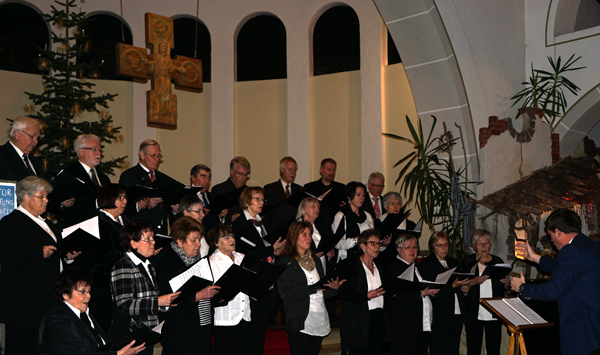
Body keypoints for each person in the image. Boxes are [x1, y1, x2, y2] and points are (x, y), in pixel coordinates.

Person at [0, 176, 78, 355]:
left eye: (47, 197)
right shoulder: (11, 222)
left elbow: (54, 252)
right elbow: (4, 252)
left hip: (45, 299)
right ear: (25, 197)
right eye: (41, 196)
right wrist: (37, 252)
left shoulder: (45, 222)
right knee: (23, 347)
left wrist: (68, 257)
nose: (46, 201)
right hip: (23, 304)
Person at [510, 208, 600, 355]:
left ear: (558, 232)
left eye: (551, 235)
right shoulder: (590, 246)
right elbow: (564, 268)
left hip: (583, 330)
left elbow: (552, 291)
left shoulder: (571, 251)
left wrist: (522, 288)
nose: (551, 241)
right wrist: (535, 257)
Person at [109, 220, 180, 355]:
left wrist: (167, 304)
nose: (153, 242)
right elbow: (124, 305)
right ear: (133, 243)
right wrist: (159, 301)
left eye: (153, 238)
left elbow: (149, 298)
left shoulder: (148, 265)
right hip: (129, 335)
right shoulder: (124, 265)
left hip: (146, 334)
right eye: (148, 239)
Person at [38, 267, 146, 355]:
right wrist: (118, 354)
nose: (88, 296)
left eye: (89, 291)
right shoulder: (57, 319)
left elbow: (102, 344)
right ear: (65, 294)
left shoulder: (83, 314)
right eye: (82, 291)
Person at [154, 217, 220, 355]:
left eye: (199, 239)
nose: (198, 244)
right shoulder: (167, 262)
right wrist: (197, 296)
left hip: (202, 327)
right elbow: (166, 299)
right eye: (193, 240)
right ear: (180, 242)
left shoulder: (198, 260)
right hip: (180, 332)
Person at [277, 221, 344, 355]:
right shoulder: (286, 261)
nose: (309, 238)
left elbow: (323, 292)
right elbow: (285, 293)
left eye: (310, 234)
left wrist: (334, 289)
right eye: (304, 235)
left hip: (318, 315)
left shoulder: (316, 260)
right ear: (294, 237)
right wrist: (313, 288)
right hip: (300, 319)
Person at [232, 186, 285, 354]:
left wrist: (274, 250)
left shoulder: (261, 221)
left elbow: (262, 247)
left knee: (260, 324)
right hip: (251, 278)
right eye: (257, 199)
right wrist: (269, 250)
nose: (261, 202)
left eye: (262, 199)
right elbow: (243, 252)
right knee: (253, 326)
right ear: (247, 201)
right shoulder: (240, 223)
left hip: (263, 276)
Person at [199, 224, 252, 355]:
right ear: (216, 243)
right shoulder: (211, 263)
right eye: (226, 237)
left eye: (232, 235)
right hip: (224, 318)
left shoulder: (242, 257)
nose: (231, 239)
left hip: (244, 315)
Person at [384, 234, 440, 355]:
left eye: (415, 247)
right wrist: (420, 294)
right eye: (408, 247)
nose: (412, 250)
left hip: (422, 322)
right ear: (399, 250)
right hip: (404, 325)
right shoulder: (393, 269)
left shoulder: (419, 267)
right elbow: (395, 296)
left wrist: (432, 292)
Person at [458, 229, 510, 355]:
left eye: (486, 243)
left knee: (493, 348)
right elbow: (460, 286)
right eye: (480, 244)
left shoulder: (497, 261)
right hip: (474, 311)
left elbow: (505, 288)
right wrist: (472, 282)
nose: (483, 247)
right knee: (474, 348)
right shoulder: (468, 262)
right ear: (474, 246)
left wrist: (507, 282)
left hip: (494, 310)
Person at [419, 232, 469, 355]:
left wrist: (465, 289)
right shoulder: (427, 264)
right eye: (439, 245)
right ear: (432, 247)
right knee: (439, 348)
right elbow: (433, 291)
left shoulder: (453, 262)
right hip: (440, 313)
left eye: (446, 244)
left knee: (453, 348)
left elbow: (459, 282)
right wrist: (453, 286)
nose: (444, 248)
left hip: (456, 311)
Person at [339, 229, 386, 355]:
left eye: (378, 243)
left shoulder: (379, 267)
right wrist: (366, 295)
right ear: (363, 246)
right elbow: (346, 294)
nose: (377, 247)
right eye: (373, 243)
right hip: (360, 320)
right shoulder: (352, 266)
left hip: (378, 317)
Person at [118, 139, 179, 235]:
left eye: (158, 156)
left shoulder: (162, 177)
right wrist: (140, 205)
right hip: (139, 232)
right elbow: (120, 205)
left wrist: (173, 209)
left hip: (160, 231)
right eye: (153, 155)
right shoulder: (130, 176)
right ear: (142, 155)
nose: (157, 159)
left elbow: (164, 205)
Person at [50, 134, 110, 227]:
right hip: (78, 228)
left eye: (99, 150)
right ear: (81, 152)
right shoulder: (69, 174)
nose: (99, 153)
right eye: (94, 149)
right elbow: (52, 201)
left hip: (102, 227)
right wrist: (63, 204)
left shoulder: (104, 178)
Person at [90, 183, 129, 331]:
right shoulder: (100, 222)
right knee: (105, 327)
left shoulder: (124, 220)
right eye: (120, 198)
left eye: (125, 197)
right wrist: (136, 253)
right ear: (108, 199)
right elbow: (108, 254)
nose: (125, 201)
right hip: (104, 283)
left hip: (121, 281)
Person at [332, 181, 376, 262]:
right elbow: (337, 243)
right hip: (348, 259)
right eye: (358, 195)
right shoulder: (341, 215)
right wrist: (355, 240)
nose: (361, 198)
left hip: (366, 258)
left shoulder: (367, 216)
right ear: (349, 196)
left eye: (363, 195)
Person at [263, 156, 304, 233]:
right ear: (282, 169)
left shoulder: (299, 190)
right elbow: (267, 216)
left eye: (295, 169)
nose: (293, 172)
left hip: (294, 233)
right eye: (290, 169)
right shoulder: (270, 189)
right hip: (276, 233)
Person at [375, 191, 416, 266]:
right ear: (385, 206)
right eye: (392, 203)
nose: (396, 206)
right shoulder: (377, 223)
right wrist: (383, 244)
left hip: (406, 262)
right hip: (386, 263)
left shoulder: (410, 225)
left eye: (398, 203)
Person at [0, 116, 45, 181]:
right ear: (17, 134)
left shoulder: (35, 162)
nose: (36, 142)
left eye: (37, 138)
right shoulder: (2, 155)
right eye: (32, 136)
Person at [304, 158, 346, 226]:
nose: (331, 173)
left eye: (333, 170)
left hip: (335, 226)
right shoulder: (309, 188)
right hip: (315, 225)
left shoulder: (342, 188)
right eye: (329, 170)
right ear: (321, 170)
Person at [211, 156, 251, 223]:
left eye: (246, 174)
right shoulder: (219, 190)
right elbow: (214, 216)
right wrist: (230, 218)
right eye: (240, 174)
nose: (243, 178)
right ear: (231, 172)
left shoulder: (248, 191)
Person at [189, 164, 227, 229]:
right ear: (193, 178)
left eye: (208, 178)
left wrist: (220, 217)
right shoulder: (187, 196)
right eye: (203, 177)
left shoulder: (212, 196)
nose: (207, 181)